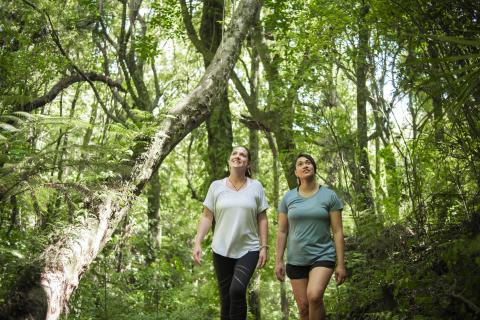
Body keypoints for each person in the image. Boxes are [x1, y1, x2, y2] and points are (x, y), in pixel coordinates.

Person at [192, 146, 269, 320]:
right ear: (229, 160)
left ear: (248, 163)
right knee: (226, 298)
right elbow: (206, 217)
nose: (238, 156)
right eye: (234, 153)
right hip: (221, 249)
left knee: (237, 290)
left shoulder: (256, 187)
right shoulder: (216, 186)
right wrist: (197, 242)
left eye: (243, 155)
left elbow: (262, 218)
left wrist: (264, 246)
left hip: (249, 249)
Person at [275, 153, 346, 320]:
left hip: (322, 255)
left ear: (314, 168)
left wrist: (341, 264)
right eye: (300, 164)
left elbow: (337, 231)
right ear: (296, 172)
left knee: (314, 296)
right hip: (295, 259)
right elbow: (282, 231)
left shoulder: (329, 196)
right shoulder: (288, 197)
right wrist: (278, 260)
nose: (305, 165)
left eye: (308, 163)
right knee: (304, 309)